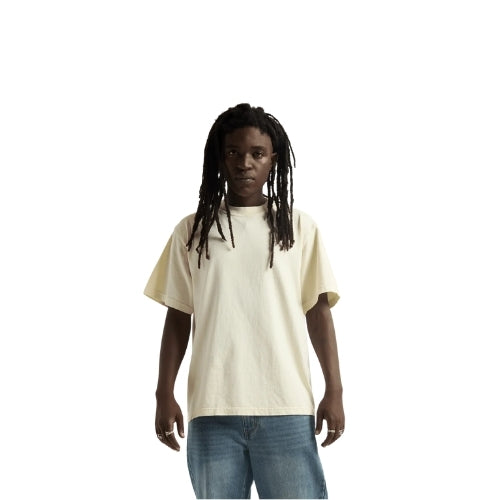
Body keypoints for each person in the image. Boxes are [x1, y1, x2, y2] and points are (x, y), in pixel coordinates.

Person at [144, 103, 344, 499]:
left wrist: (334, 390)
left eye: (257, 153)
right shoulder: (193, 231)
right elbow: (178, 316)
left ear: (274, 160)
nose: (245, 163)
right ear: (219, 159)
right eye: (233, 152)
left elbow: (318, 313)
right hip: (212, 409)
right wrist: (163, 393)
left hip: (286, 406)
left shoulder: (298, 228)